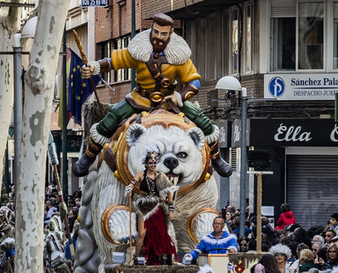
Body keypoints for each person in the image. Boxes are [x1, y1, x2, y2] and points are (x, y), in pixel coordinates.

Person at [74, 13, 230, 178]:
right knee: (111, 119)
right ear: (151, 30)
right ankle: (88, 157)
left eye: (163, 34)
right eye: (156, 32)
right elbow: (115, 61)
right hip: (139, 100)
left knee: (203, 122)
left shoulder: (180, 56)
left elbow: (194, 82)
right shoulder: (139, 50)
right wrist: (94, 67)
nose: (159, 37)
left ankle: (217, 158)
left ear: (170, 33)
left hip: (170, 102)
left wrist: (180, 97)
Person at [125, 150, 178, 265]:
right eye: (150, 163)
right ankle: (136, 257)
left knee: (160, 233)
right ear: (146, 164)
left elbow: (170, 193)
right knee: (141, 234)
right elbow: (132, 183)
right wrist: (129, 189)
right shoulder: (141, 174)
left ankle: (161, 256)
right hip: (143, 206)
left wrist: (171, 210)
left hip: (157, 207)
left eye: (154, 162)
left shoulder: (161, 176)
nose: (153, 165)